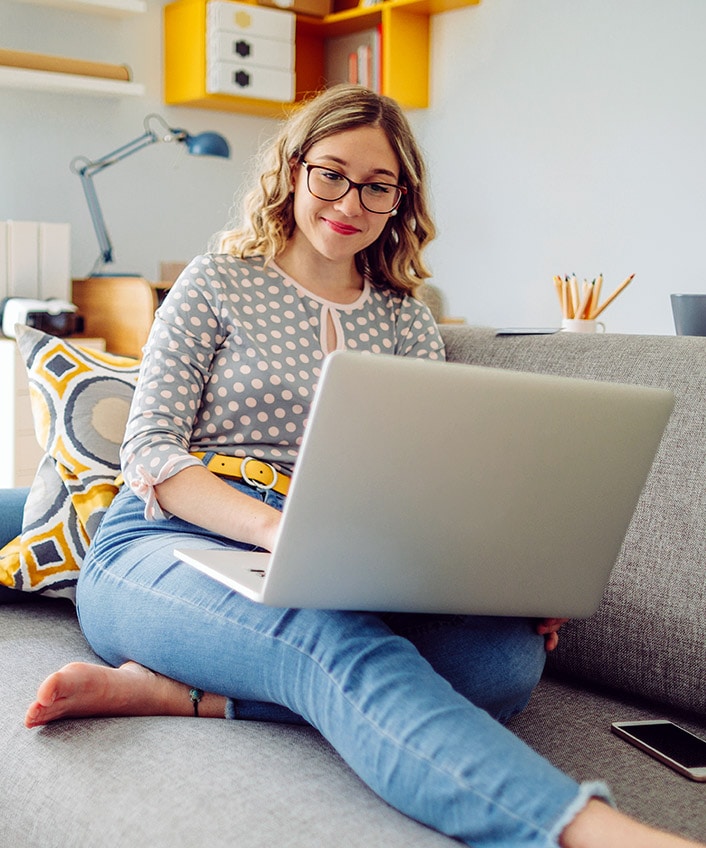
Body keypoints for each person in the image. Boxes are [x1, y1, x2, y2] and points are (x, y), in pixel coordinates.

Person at [25, 84, 703, 848]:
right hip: (167, 542)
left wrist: (509, 578)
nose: (350, 200)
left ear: (400, 200)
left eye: (378, 185)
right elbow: (150, 450)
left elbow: (430, 480)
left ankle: (193, 694)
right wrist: (279, 535)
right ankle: (583, 828)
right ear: (293, 168)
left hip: (342, 557)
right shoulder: (217, 282)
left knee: (504, 663)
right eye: (332, 173)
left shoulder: (406, 318)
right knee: (326, 635)